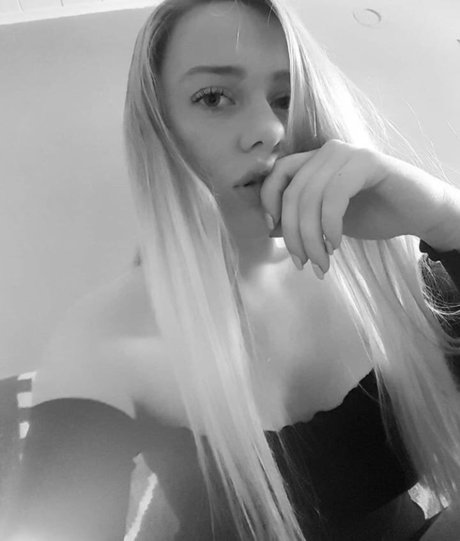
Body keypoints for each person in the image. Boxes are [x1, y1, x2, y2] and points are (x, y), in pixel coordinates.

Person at [2, 0, 460, 539]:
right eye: (214, 97)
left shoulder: (395, 275)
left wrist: (446, 219)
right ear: (160, 129)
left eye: (286, 98)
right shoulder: (105, 343)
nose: (268, 129)